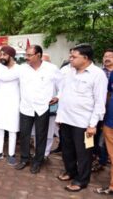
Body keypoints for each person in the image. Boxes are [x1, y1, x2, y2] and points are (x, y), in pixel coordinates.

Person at [56, 44, 108, 192]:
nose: (70, 59)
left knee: (84, 153)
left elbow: (99, 102)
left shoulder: (98, 75)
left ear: (85, 58)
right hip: (66, 119)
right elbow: (63, 92)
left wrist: (92, 125)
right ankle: (70, 171)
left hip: (84, 123)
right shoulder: (68, 71)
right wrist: (59, 116)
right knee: (67, 150)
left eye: (74, 56)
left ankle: (81, 180)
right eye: (70, 56)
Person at [14, 45, 60, 174]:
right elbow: (6, 75)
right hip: (26, 107)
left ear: (38, 55)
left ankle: (38, 161)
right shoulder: (22, 69)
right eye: (26, 55)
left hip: (42, 108)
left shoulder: (51, 69)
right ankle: (24, 159)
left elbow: (62, 84)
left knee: (41, 135)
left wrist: (58, 96)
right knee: (24, 134)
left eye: (29, 55)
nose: (25, 57)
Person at [92, 48, 113, 173]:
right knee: (97, 137)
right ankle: (99, 159)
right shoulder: (98, 73)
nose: (107, 58)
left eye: (110, 55)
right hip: (99, 110)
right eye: (105, 56)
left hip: (110, 111)